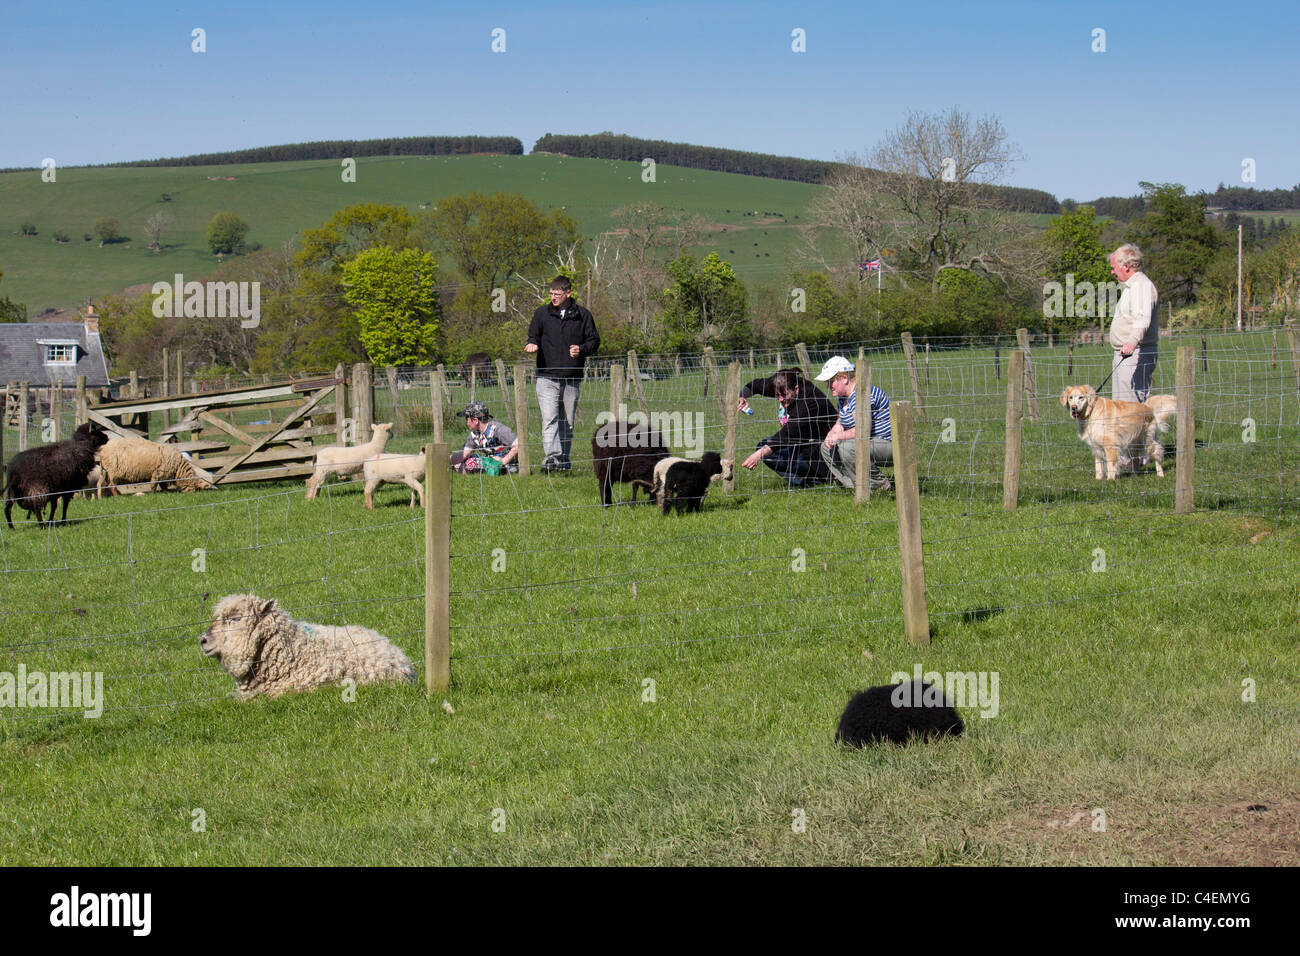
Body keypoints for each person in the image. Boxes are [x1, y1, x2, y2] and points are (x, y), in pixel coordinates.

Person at [524, 276, 600, 474]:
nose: (553, 297)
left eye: (557, 294)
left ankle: (563, 461)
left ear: (568, 293)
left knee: (567, 423)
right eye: (551, 294)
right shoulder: (542, 314)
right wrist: (532, 344)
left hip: (571, 377)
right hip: (546, 376)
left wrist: (581, 349)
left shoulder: (583, 315)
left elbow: (594, 341)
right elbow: (533, 335)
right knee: (550, 419)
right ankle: (552, 459)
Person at [737, 368, 837, 486]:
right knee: (763, 446)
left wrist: (757, 456)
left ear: (796, 388)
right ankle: (804, 481)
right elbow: (754, 386)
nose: (780, 399)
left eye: (784, 395)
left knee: (767, 451)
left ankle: (818, 479)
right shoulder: (780, 386)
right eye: (777, 395)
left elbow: (785, 435)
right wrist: (741, 397)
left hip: (824, 447)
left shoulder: (808, 403)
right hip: (802, 439)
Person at [814, 356, 892, 492]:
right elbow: (841, 422)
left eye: (831, 381)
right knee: (825, 448)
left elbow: (862, 430)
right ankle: (854, 485)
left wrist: (838, 436)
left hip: (888, 444)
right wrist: (832, 433)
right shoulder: (843, 397)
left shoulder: (861, 394)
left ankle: (879, 485)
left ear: (844, 378)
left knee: (848, 447)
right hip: (870, 443)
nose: (828, 386)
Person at [1107, 243, 1159, 403]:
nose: (1112, 272)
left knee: (1130, 407)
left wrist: (1131, 342)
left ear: (1126, 266)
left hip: (1134, 354)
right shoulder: (1132, 286)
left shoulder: (1142, 286)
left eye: (1114, 268)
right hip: (1127, 354)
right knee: (1121, 406)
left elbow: (1142, 318)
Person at [450, 401, 519, 474]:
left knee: (471, 463)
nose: (467, 423)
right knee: (459, 463)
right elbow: (464, 454)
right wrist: (446, 460)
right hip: (489, 461)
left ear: (475, 420)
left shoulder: (497, 429)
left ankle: (506, 470)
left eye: (467, 419)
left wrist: (503, 461)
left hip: (506, 462)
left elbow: (518, 445)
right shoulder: (474, 434)